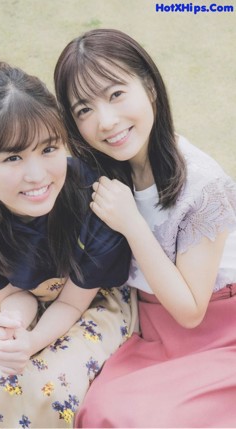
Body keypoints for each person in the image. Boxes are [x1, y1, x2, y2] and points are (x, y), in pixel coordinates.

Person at [0, 57, 137, 428]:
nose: (37, 176)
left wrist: (30, 343)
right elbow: (13, 294)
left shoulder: (93, 199)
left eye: (48, 149)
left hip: (90, 300)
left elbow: (74, 302)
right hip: (13, 298)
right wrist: (13, 326)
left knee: (50, 392)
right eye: (13, 156)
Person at [54, 28, 236, 428]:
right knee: (97, 409)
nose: (106, 121)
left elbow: (191, 312)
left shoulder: (205, 185)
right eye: (84, 109)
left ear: (150, 87)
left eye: (116, 94)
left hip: (218, 330)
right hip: (144, 323)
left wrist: (132, 224)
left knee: (135, 417)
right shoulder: (97, 170)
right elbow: (23, 152)